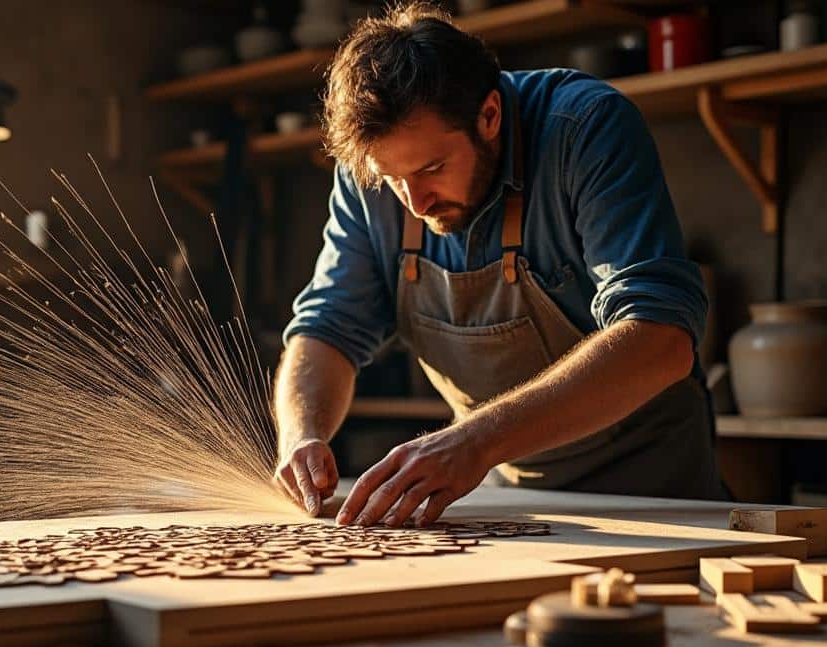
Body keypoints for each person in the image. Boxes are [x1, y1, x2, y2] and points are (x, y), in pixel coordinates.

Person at [273, 2, 724, 528]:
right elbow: (327, 327)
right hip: (504, 494)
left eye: (433, 169)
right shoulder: (372, 171)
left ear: (489, 116)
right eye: (393, 179)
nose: (414, 202)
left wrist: (475, 441)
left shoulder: (582, 127)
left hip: (654, 494)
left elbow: (660, 337)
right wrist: (301, 433)